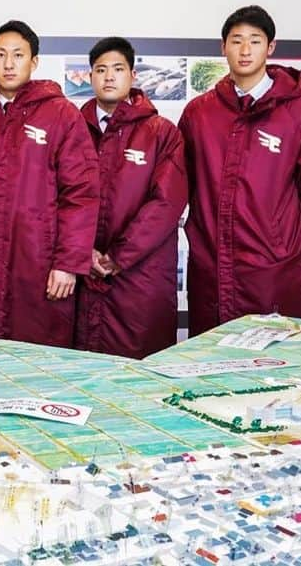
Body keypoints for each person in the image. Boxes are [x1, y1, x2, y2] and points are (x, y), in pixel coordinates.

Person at [178, 6, 301, 335]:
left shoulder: (300, 111)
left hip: (271, 265)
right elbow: (183, 179)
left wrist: (277, 226)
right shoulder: (200, 113)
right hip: (212, 262)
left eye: (255, 40)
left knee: (278, 364)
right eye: (236, 41)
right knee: (211, 363)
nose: (245, 50)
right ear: (223, 48)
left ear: (271, 47)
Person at [0, 20, 99, 346]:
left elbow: (82, 194)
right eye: (0, 55)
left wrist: (68, 263)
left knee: (38, 362)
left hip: (39, 267)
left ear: (34, 62)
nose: (8, 63)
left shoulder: (61, 116)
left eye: (18, 55)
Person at [73, 37, 186, 359]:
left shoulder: (161, 133)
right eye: (101, 70)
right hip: (82, 271)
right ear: (91, 76)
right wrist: (83, 251)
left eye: (118, 69)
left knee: (140, 372)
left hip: (141, 276)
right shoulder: (73, 129)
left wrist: (118, 256)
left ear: (133, 76)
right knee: (82, 370)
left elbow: (166, 202)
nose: (109, 77)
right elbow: (56, 197)